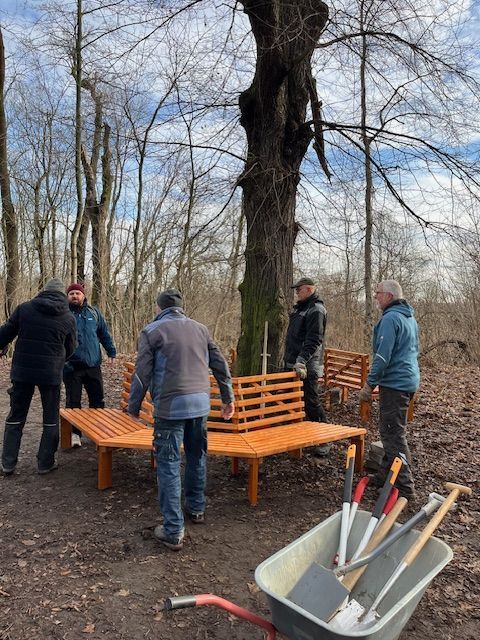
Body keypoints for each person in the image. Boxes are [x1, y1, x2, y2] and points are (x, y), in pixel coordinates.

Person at [128, 288, 234, 551]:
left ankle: (173, 530)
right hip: (200, 406)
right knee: (197, 456)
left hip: (170, 409)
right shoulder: (201, 329)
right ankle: (196, 508)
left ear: (159, 307)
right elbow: (220, 365)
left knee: (168, 463)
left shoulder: (152, 331)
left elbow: (142, 373)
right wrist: (228, 398)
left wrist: (133, 407)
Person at [0, 278, 77, 475]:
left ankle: (8, 463)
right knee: (50, 418)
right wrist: (58, 359)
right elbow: (71, 348)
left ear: (43, 291)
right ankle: (45, 463)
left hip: (22, 371)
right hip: (50, 373)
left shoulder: (24, 309)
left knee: (16, 416)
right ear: (62, 295)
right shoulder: (68, 317)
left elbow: (5, 333)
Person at [359, 280, 420, 499]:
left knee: (393, 435)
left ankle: (405, 487)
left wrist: (369, 384)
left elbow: (382, 357)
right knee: (392, 432)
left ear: (390, 296)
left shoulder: (391, 318)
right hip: (408, 381)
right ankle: (385, 476)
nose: (375, 296)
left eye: (378, 293)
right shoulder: (408, 317)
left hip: (395, 384)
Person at [63, 283, 116, 448]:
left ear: (83, 295)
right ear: (67, 296)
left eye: (77, 293)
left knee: (97, 401)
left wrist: (111, 351)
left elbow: (104, 334)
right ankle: (75, 434)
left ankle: (97, 432)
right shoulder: (63, 314)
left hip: (93, 365)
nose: (74, 296)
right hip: (71, 366)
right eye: (71, 293)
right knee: (73, 403)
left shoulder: (94, 313)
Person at [284, 277, 329, 456]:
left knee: (311, 403)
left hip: (307, 366)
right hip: (292, 363)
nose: (296, 292)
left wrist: (301, 360)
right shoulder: (300, 309)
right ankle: (297, 438)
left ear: (309, 289)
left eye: (299, 289)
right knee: (291, 402)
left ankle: (324, 439)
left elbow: (314, 339)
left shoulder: (316, 309)